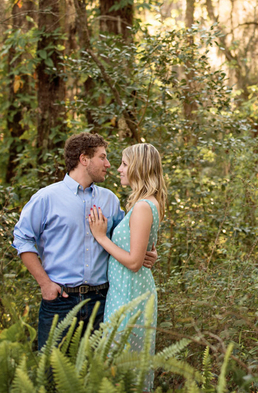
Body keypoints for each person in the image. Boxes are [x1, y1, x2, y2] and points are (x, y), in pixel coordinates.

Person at [12, 133, 157, 350]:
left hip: (102, 302)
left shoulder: (109, 200)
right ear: (84, 159)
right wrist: (45, 284)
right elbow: (22, 239)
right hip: (60, 301)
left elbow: (126, 238)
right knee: (53, 374)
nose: (109, 164)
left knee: (97, 378)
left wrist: (149, 253)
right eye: (103, 157)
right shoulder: (47, 198)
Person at [88, 142, 165, 390]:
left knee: (123, 370)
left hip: (131, 296)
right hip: (125, 292)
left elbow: (133, 262)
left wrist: (101, 237)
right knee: (120, 367)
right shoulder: (143, 203)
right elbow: (142, 252)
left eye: (124, 164)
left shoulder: (143, 206)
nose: (119, 169)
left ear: (138, 168)